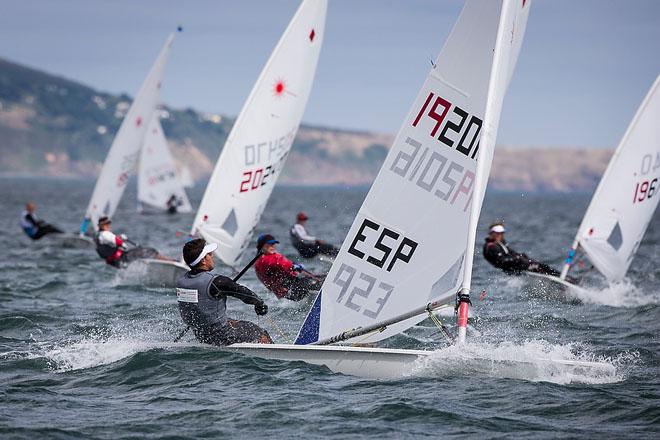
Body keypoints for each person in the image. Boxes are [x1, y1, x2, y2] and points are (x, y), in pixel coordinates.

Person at [176, 238, 272, 346]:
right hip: (222, 336)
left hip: (201, 335)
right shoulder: (217, 282)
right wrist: (259, 303)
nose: (213, 257)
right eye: (210, 254)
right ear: (203, 260)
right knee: (261, 333)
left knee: (236, 322)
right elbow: (245, 294)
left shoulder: (181, 281)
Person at [255, 234, 324, 301]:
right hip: (289, 291)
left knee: (319, 278)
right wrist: (292, 266)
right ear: (262, 246)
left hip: (288, 290)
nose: (272, 246)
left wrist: (293, 265)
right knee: (316, 283)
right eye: (269, 244)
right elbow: (276, 263)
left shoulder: (265, 258)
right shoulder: (264, 260)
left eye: (273, 244)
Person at [483, 222, 561, 277]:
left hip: (516, 266)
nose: (500, 235)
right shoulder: (491, 247)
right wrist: (517, 258)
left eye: (501, 233)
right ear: (491, 233)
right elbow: (501, 260)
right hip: (512, 269)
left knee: (540, 265)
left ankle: (561, 277)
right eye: (497, 233)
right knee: (537, 266)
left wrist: (520, 256)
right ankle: (558, 278)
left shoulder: (501, 244)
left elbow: (511, 253)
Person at [94, 216, 172, 268]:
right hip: (123, 257)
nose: (108, 226)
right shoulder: (105, 234)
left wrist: (119, 238)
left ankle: (164, 262)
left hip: (117, 262)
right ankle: (172, 262)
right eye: (107, 224)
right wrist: (121, 239)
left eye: (108, 224)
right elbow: (118, 242)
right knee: (151, 251)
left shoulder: (99, 236)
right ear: (103, 226)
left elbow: (110, 243)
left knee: (144, 254)